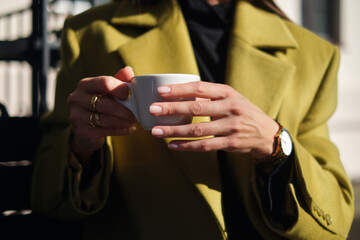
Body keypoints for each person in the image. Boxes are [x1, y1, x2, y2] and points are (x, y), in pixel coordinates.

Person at [31, 0, 354, 239]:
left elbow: (333, 224)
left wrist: (274, 143)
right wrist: (83, 144)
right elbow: (49, 200)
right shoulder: (92, 35)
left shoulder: (312, 54)